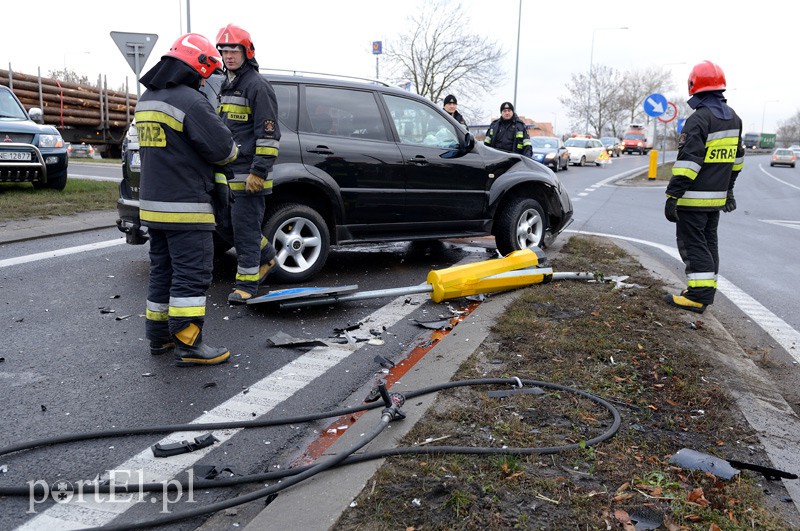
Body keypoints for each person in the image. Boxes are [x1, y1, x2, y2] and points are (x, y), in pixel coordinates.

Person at [135, 33, 238, 366]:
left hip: (153, 207)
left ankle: (159, 337)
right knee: (192, 274)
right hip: (187, 208)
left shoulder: (146, 100)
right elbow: (224, 150)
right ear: (199, 64)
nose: (206, 79)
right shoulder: (190, 102)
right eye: (207, 71)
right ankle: (189, 343)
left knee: (162, 271)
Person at [663, 60, 743, 314]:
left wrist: (673, 195)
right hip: (715, 200)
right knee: (709, 244)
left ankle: (698, 296)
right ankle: (703, 292)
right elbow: (737, 161)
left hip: (693, 199)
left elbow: (688, 163)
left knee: (693, 244)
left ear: (694, 87)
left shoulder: (699, 120)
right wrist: (729, 190)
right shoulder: (735, 119)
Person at [215, 24, 281, 305]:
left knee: (244, 230)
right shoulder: (227, 84)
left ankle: (247, 284)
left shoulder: (257, 86)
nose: (229, 56)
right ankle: (266, 257)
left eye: (234, 50)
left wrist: (258, 171)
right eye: (225, 50)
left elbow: (268, 134)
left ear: (246, 52)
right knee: (224, 224)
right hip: (229, 172)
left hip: (251, 174)